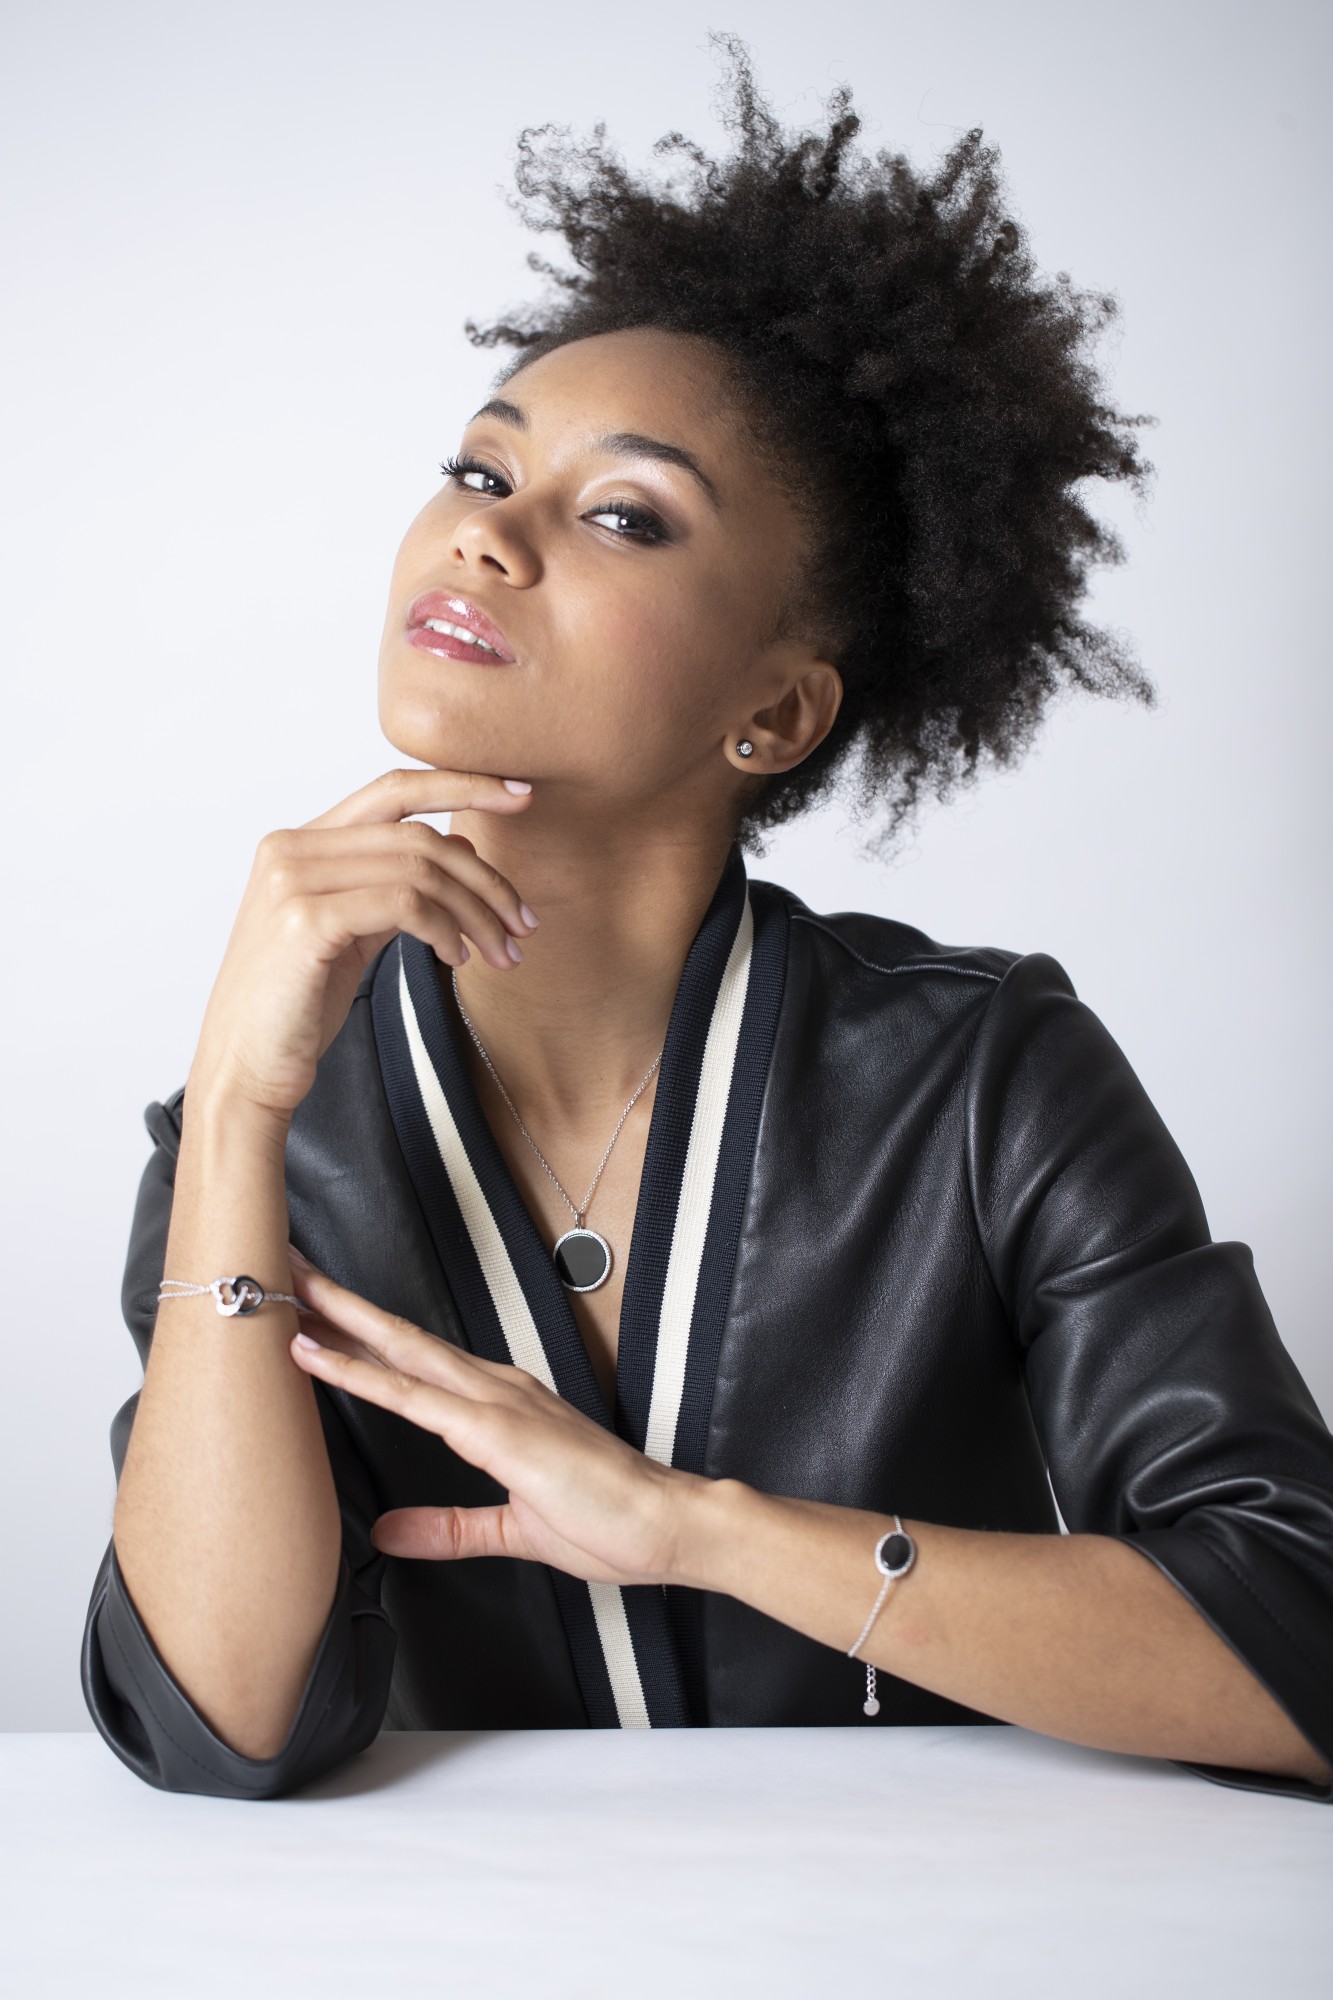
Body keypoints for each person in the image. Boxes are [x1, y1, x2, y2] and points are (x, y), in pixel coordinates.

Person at [81, 38, 1333, 1802]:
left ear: (775, 710)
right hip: (456, 1939)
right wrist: (230, 1114)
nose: (486, 537)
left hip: (944, 1926)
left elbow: (1299, 1635)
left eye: (620, 514)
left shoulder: (980, 1076)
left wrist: (696, 1530)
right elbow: (221, 1721)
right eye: (478, 470)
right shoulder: (278, 1132)